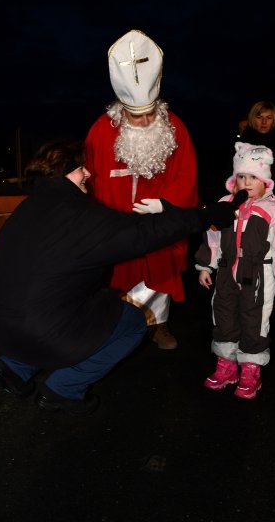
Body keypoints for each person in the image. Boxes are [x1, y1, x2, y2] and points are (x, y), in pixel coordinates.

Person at [0, 139, 243, 416]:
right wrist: (206, 214)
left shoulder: (27, 208)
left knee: (53, 302)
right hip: (40, 331)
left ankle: (13, 368)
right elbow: (145, 232)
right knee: (131, 323)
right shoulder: (81, 215)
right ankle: (63, 390)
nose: (88, 174)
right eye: (81, 168)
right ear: (64, 172)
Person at [85, 29, 198, 350]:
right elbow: (91, 179)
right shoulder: (99, 131)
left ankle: (158, 325)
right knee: (116, 274)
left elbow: (187, 175)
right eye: (136, 116)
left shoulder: (175, 127)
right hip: (117, 223)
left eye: (150, 113)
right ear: (121, 110)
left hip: (160, 221)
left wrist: (165, 204)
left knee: (160, 272)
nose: (145, 120)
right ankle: (112, 327)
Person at [195, 142, 275, 399]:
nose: (247, 182)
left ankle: (250, 371)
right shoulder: (225, 205)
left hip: (258, 276)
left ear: (266, 181)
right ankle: (226, 367)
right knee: (223, 316)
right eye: (241, 176)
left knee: (254, 322)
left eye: (253, 176)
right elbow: (211, 238)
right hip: (225, 274)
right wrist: (205, 265)